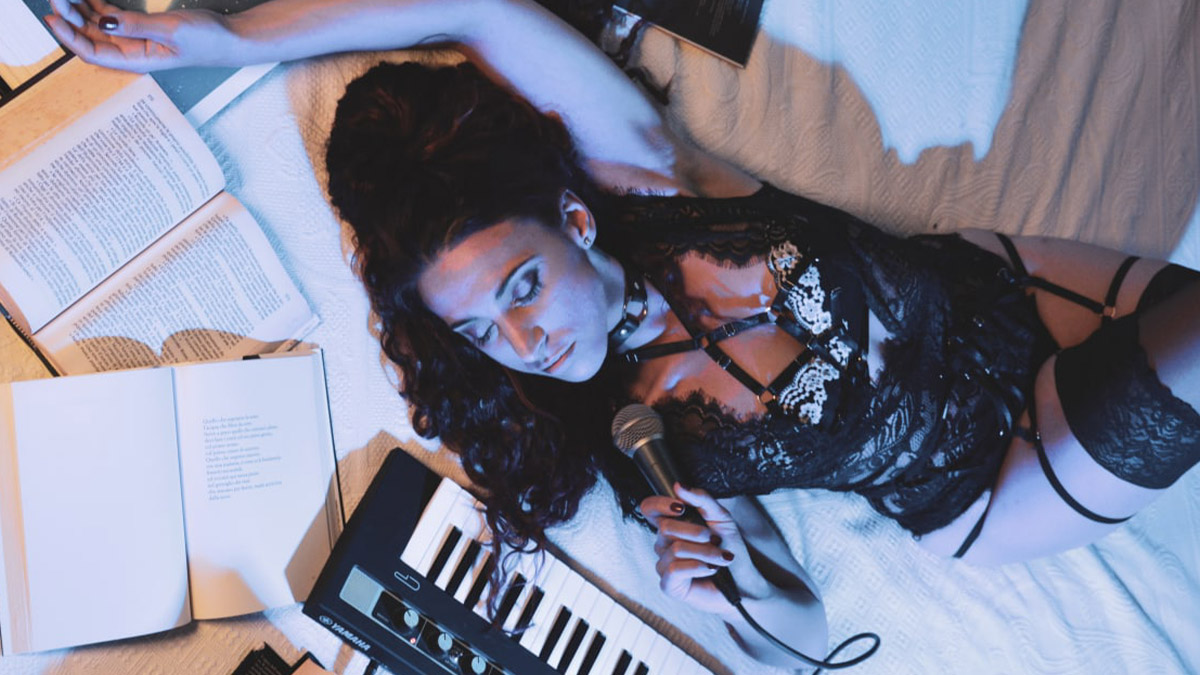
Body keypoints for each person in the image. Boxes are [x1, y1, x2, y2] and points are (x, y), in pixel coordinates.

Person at [46, 0, 1200, 669]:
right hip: (991, 483)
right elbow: (802, 638)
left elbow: (480, 9)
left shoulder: (653, 178)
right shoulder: (638, 440)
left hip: (1008, 290)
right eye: (481, 332)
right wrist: (729, 580)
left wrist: (236, 40)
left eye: (521, 286)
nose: (524, 339)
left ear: (576, 220)